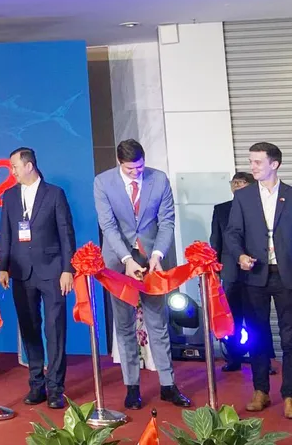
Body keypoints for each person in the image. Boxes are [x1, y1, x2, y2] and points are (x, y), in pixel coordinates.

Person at [93, 139, 190, 409]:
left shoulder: (158, 179)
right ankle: (132, 387)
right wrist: (126, 259)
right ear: (119, 163)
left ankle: (168, 385)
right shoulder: (103, 182)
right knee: (124, 325)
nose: (137, 172)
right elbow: (108, 225)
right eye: (130, 169)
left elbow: (167, 221)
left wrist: (157, 254)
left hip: (152, 259)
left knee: (157, 322)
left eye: (140, 167)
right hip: (119, 260)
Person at [226, 142, 292, 420]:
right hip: (254, 276)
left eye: (258, 162)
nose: (252, 167)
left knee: (290, 338)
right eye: (251, 161)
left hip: (287, 277)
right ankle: (260, 390)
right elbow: (233, 233)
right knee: (257, 335)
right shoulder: (243, 197)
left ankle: (290, 396)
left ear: (274, 164)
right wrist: (240, 255)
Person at [0, 148, 75, 409]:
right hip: (21, 272)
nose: (12, 171)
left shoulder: (54, 194)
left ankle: (56, 388)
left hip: (52, 271)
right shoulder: (9, 196)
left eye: (15, 166)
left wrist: (67, 269)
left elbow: (66, 233)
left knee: (55, 329)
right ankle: (36, 384)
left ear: (29, 166)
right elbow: (6, 234)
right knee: (29, 329)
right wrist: (3, 267)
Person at [210, 172, 257, 372]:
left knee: (256, 317)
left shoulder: (259, 207)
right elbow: (215, 241)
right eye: (234, 182)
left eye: (241, 182)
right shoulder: (221, 209)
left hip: (256, 269)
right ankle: (234, 358)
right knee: (233, 317)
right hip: (230, 270)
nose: (237, 185)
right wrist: (215, 267)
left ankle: (261, 360)